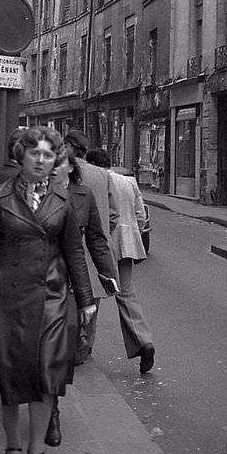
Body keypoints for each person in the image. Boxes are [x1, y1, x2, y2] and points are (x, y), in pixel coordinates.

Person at [0, 126, 96, 454]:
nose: (41, 160)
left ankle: (37, 452)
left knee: (46, 376)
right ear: (22, 155)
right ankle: (13, 447)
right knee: (7, 377)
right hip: (4, 301)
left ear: (56, 161)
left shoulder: (63, 199)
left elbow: (74, 252)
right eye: (35, 153)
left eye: (49, 155)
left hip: (50, 300)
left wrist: (86, 300)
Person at [44, 151, 119, 447]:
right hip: (36, 281)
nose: (52, 168)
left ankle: (52, 402)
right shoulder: (32, 193)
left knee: (64, 343)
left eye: (58, 163)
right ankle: (48, 407)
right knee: (41, 345)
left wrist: (107, 272)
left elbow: (96, 238)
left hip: (71, 281)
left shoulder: (83, 195)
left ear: (70, 167)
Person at [86, 148, 155, 375]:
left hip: (103, 243)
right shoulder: (128, 181)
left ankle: (85, 344)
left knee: (93, 293)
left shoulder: (94, 180)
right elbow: (140, 215)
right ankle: (144, 341)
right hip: (127, 243)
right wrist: (133, 233)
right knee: (126, 293)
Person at [62, 128, 117, 363]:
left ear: (69, 148)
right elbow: (113, 214)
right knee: (91, 302)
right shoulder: (103, 175)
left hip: (70, 251)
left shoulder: (59, 172)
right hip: (95, 249)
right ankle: (84, 348)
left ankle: (70, 346)